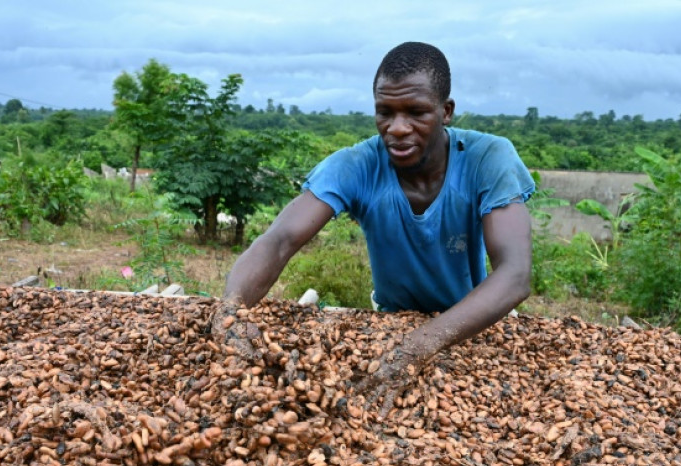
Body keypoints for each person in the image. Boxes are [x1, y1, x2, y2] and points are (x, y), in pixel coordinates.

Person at [213, 41, 535, 414]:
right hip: (391, 325)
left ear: (446, 111)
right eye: (385, 113)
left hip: (474, 327)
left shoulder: (488, 158)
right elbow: (280, 240)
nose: (397, 129)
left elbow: (515, 274)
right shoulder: (357, 165)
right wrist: (231, 312)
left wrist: (416, 348)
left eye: (416, 113)